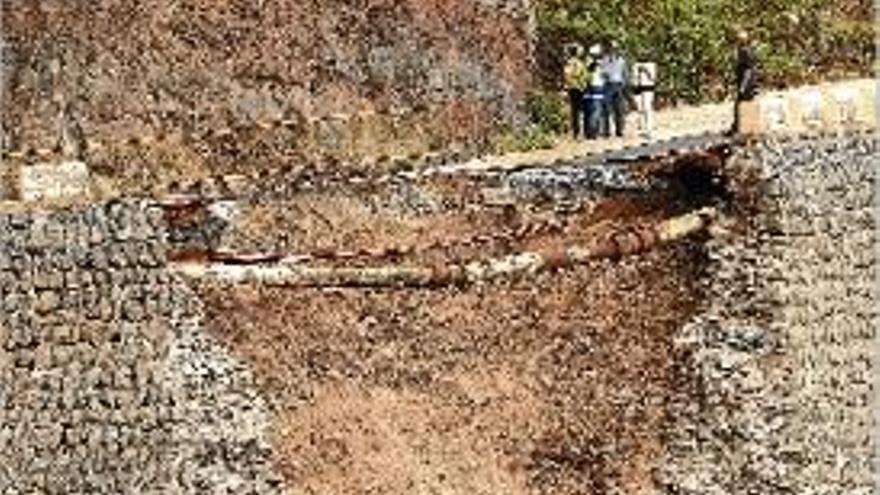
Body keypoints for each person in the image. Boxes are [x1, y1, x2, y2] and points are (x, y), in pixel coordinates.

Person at [732, 30, 759, 134]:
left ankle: (741, 127)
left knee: (741, 105)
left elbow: (748, 70)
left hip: (747, 82)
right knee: (744, 104)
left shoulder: (745, 51)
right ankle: (742, 127)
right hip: (748, 81)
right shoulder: (746, 50)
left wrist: (743, 86)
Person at [601, 41, 630, 137]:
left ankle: (619, 130)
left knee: (619, 109)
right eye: (611, 48)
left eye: (614, 49)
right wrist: (606, 76)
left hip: (618, 85)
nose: (613, 50)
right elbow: (603, 72)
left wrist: (624, 85)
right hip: (608, 85)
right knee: (606, 109)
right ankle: (607, 131)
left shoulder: (622, 60)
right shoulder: (605, 60)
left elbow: (625, 74)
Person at [563, 43, 589, 139]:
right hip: (579, 89)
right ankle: (578, 132)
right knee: (579, 111)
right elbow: (585, 76)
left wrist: (568, 82)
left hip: (573, 88)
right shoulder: (580, 63)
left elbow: (568, 75)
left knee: (574, 111)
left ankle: (576, 133)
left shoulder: (571, 63)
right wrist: (583, 85)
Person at [584, 44, 606, 139]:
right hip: (597, 88)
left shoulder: (587, 63)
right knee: (596, 111)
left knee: (589, 111)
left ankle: (589, 132)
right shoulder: (600, 65)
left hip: (588, 88)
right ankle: (593, 132)